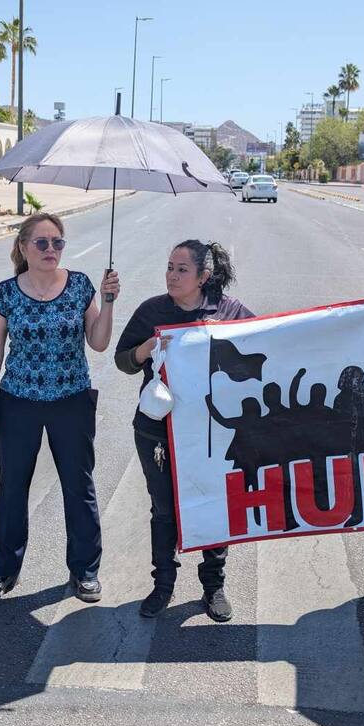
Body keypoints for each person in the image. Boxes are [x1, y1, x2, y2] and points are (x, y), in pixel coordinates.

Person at [0, 212, 120, 603]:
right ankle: (4, 571)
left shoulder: (80, 285)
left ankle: (85, 571)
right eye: (41, 242)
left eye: (57, 242)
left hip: (71, 401)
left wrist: (108, 304)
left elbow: (99, 342)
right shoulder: (7, 292)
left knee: (79, 486)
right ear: (23, 247)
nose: (50, 249)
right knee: (12, 488)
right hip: (18, 402)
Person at [114, 240, 253, 621]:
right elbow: (123, 361)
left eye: (181, 270)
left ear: (203, 277)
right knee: (163, 509)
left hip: (212, 433)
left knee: (212, 504)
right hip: (157, 432)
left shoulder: (229, 311)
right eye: (169, 267)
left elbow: (263, 348)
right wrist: (145, 349)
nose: (172, 276)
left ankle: (213, 586)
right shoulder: (152, 311)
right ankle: (163, 584)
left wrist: (226, 339)